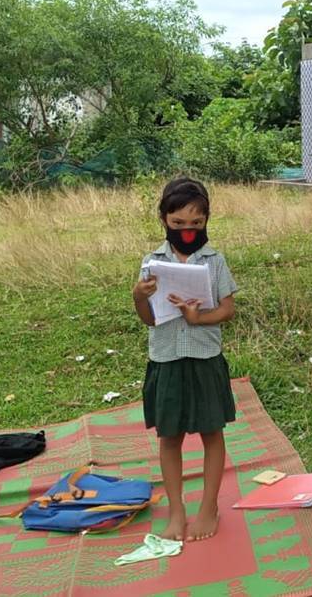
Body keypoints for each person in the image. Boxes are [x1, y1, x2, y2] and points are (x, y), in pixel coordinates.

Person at [133, 178, 237, 543]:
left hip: (205, 356)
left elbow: (227, 309)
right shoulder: (152, 262)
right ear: (163, 219)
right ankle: (177, 510)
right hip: (166, 358)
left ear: (207, 218)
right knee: (170, 437)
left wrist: (198, 319)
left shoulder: (215, 259)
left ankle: (209, 506)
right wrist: (138, 296)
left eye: (196, 224)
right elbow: (147, 318)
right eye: (178, 225)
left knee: (212, 431)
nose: (187, 232)